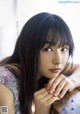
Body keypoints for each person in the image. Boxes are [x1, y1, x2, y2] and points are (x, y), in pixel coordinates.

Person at [0, 12, 80, 114]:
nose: (59, 60)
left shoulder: (45, 67)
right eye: (48, 49)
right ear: (29, 49)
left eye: (64, 48)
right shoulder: (5, 85)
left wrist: (71, 82)